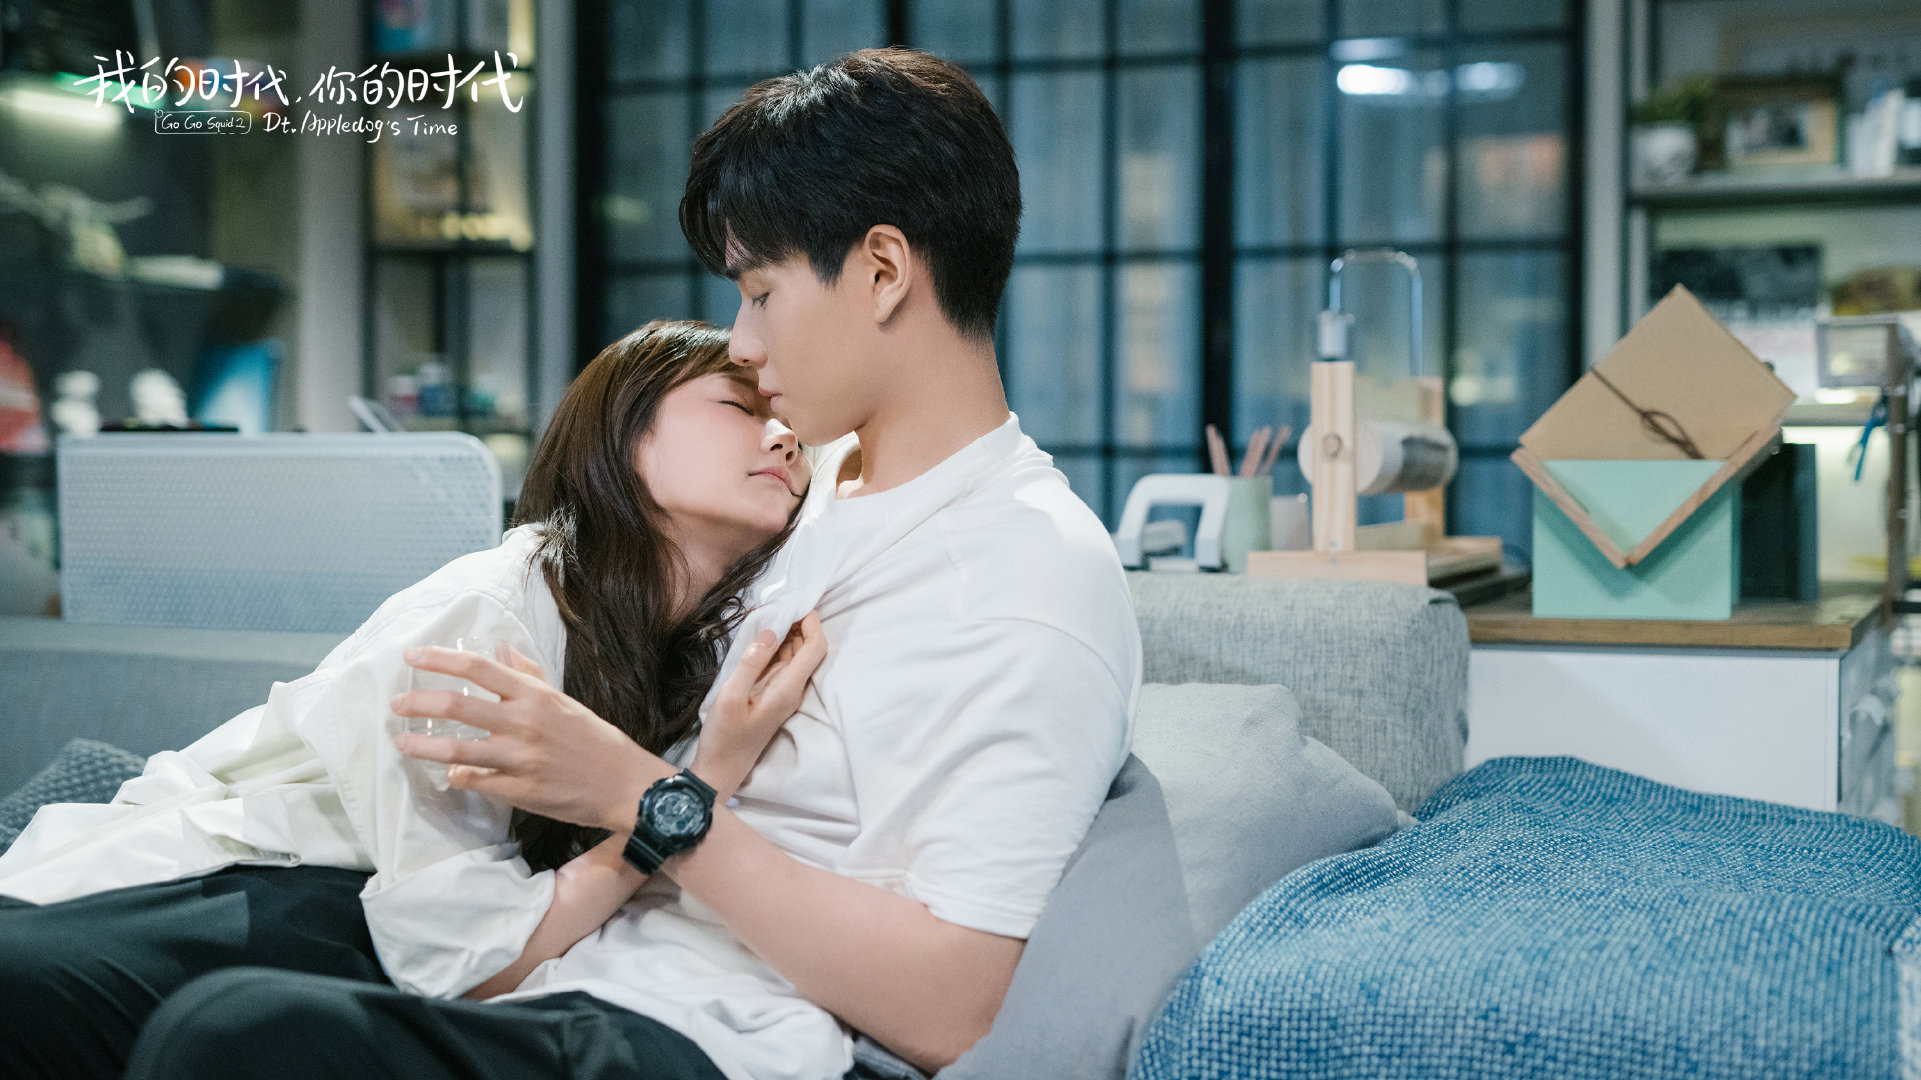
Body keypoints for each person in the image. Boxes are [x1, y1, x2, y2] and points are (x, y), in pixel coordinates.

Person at [117, 46, 1144, 1080]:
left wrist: (644, 796)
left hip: (711, 1039)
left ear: (881, 271)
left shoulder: (1028, 573)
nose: (742, 344)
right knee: (117, 989)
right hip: (575, 964)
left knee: (231, 1037)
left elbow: (954, 1006)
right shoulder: (818, 486)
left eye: (760, 291)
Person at [0, 319, 825, 1080]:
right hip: (270, 891)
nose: (782, 436)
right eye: (738, 406)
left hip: (349, 925)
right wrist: (687, 796)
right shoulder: (494, 611)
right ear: (623, 429)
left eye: (788, 421)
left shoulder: (710, 642)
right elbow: (463, 959)